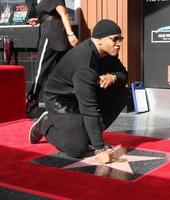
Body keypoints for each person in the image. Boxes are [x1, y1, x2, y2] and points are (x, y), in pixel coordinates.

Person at [28, 19, 129, 161]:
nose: (119, 43)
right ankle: (45, 123)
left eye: (121, 38)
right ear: (99, 40)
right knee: (76, 148)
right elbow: (89, 107)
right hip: (61, 100)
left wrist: (113, 77)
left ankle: (89, 137)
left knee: (122, 93)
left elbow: (124, 75)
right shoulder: (84, 62)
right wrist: (99, 149)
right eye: (115, 39)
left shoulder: (108, 53)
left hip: (81, 94)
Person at [26, 0, 79, 113]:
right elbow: (51, 14)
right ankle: (65, 101)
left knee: (41, 68)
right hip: (51, 31)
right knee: (57, 71)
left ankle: (32, 98)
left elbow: (63, 13)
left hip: (51, 34)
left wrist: (70, 34)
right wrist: (40, 20)